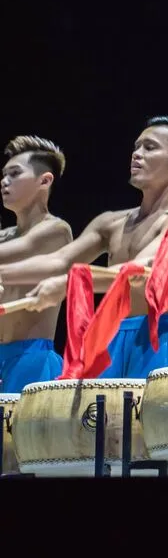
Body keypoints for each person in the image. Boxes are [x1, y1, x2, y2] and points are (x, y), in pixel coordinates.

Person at [0, 117, 168, 377]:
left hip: (154, 341)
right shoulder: (110, 222)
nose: (137, 154)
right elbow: (60, 261)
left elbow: (138, 272)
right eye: (136, 147)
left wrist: (69, 283)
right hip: (109, 340)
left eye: (150, 147)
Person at [0, 136, 74, 392]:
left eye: (14, 174)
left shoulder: (56, 230)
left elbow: (24, 247)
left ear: (44, 180)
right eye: (4, 175)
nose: (4, 181)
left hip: (32, 360)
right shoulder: (4, 236)